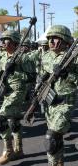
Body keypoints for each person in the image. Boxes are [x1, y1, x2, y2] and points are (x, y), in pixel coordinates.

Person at [32, 25, 78, 166]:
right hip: (49, 102)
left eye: (55, 38)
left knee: (51, 137)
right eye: (49, 38)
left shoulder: (74, 57)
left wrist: (67, 75)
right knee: (55, 140)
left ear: (64, 40)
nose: (51, 41)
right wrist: (36, 94)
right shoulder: (46, 56)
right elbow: (42, 77)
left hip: (65, 103)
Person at [0, 30, 36, 165]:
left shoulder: (23, 57)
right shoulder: (2, 57)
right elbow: (2, 74)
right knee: (14, 120)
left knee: (0, 119)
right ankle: (19, 150)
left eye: (5, 40)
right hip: (8, 92)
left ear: (14, 42)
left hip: (19, 91)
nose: (2, 43)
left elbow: (32, 77)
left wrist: (15, 72)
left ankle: (8, 150)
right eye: (2, 40)